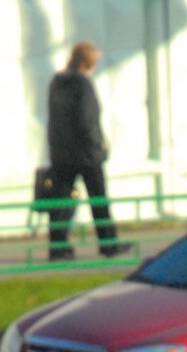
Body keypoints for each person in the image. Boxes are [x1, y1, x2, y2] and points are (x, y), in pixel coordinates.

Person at [45, 41, 128, 262]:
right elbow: (87, 120)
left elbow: (54, 119)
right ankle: (108, 244)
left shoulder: (57, 82)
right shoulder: (83, 84)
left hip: (61, 153)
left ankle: (58, 246)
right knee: (99, 199)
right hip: (86, 154)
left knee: (61, 200)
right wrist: (99, 144)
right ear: (88, 63)